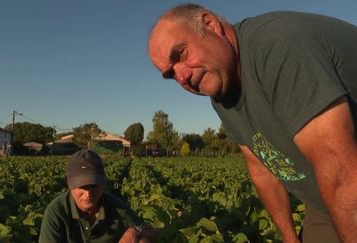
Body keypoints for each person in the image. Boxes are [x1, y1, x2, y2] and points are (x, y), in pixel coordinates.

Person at [148, 3, 357, 243]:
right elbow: (261, 167)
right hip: (326, 201)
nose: (182, 77)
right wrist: (290, 239)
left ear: (210, 24)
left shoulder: (277, 45)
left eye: (181, 54)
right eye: (171, 74)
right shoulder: (222, 95)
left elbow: (342, 171)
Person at [39, 149, 152, 243]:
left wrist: (137, 231)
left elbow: (149, 230)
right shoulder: (56, 212)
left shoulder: (117, 207)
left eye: (94, 185)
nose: (88, 194)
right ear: (69, 184)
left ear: (102, 184)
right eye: (82, 186)